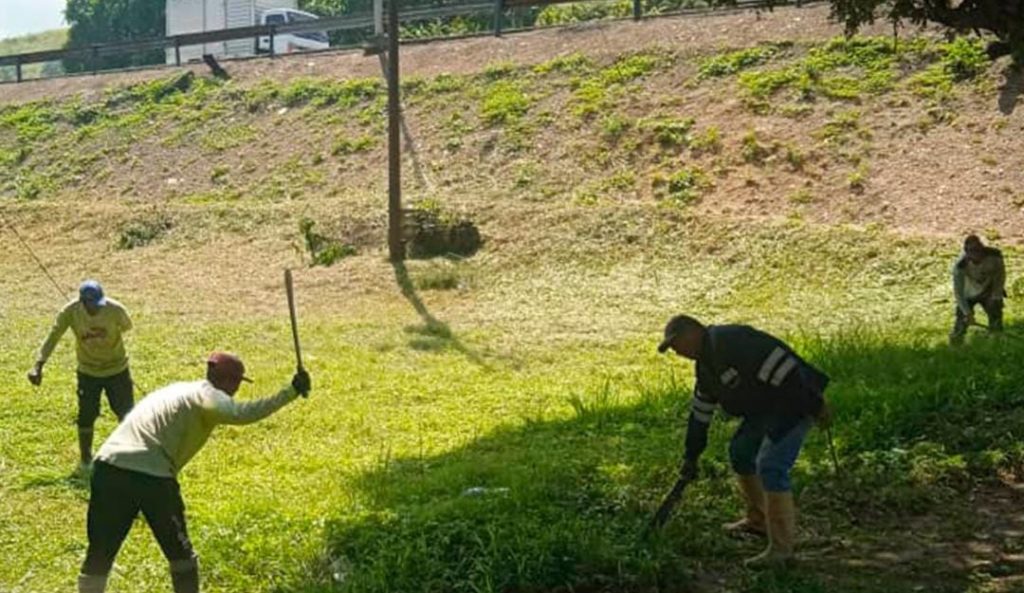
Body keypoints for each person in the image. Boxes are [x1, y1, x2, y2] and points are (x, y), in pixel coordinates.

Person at [76, 352, 311, 593]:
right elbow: (242, 413)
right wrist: (290, 392)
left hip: (108, 466)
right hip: (152, 475)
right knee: (181, 556)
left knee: (100, 552)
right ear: (231, 382)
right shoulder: (209, 396)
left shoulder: (176, 389)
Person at [657, 314, 829, 567]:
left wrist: (815, 404)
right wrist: (691, 457)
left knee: (771, 465)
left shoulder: (731, 340)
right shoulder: (706, 368)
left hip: (795, 400)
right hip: (765, 409)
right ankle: (758, 519)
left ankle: (782, 549)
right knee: (741, 452)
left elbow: (787, 371)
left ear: (692, 333)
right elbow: (700, 416)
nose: (677, 352)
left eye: (676, 345)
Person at [28, 280, 135, 471]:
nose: (96, 308)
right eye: (92, 305)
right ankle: (86, 458)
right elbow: (54, 336)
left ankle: (130, 455)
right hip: (88, 372)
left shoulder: (115, 310)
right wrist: (39, 365)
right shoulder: (71, 312)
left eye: (99, 304)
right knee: (86, 414)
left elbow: (127, 326)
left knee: (126, 413)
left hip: (117, 370)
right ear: (82, 302)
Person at [950, 234, 1006, 346]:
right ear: (967, 253)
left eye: (979, 250)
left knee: (995, 313)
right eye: (972, 251)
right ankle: (956, 344)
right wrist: (967, 313)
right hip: (968, 293)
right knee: (961, 319)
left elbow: (1000, 277)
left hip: (988, 290)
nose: (977, 255)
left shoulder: (995, 257)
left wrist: (996, 295)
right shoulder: (960, 266)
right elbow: (959, 293)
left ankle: (997, 341)